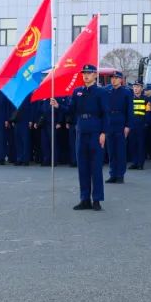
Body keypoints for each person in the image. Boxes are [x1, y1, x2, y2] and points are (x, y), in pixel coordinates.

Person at [53, 65, 107, 210]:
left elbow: (105, 114)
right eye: (84, 73)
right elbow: (71, 110)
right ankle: (85, 199)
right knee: (82, 167)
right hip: (81, 130)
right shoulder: (77, 92)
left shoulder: (101, 92)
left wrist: (103, 133)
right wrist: (58, 105)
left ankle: (96, 199)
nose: (86, 76)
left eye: (89, 73)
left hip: (95, 131)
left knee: (95, 167)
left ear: (95, 75)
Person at [104, 71, 132, 183]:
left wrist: (128, 125)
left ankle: (120, 174)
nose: (113, 80)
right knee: (111, 150)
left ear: (121, 79)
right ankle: (113, 174)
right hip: (109, 121)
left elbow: (130, 110)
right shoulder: (107, 90)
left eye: (116, 78)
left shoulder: (126, 92)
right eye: (112, 78)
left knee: (120, 150)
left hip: (120, 121)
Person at [128, 81, 149, 169]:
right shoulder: (129, 99)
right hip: (132, 124)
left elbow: (148, 112)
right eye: (134, 87)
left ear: (141, 88)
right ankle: (134, 162)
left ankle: (140, 163)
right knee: (133, 144)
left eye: (137, 87)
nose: (135, 88)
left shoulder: (146, 99)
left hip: (141, 125)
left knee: (141, 144)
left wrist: (146, 123)